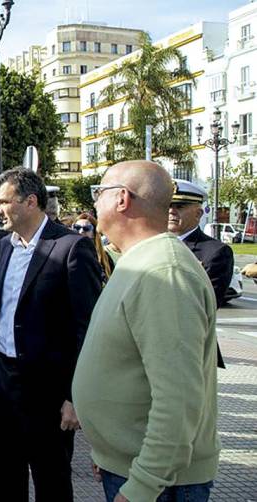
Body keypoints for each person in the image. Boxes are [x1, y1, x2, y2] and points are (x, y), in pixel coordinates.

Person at [73, 161, 220, 502]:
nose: (94, 203)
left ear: (122, 199)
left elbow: (178, 398)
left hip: (162, 484)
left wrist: (143, 484)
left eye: (99, 192)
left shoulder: (163, 272)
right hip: (132, 466)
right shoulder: (138, 260)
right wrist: (108, 452)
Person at [0, 167, 101, 501]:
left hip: (48, 393)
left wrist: (76, 397)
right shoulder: (3, 246)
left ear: (30, 201)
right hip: (2, 385)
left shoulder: (71, 247)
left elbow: (86, 329)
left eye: (3, 202)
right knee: (3, 478)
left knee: (52, 482)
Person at [168, 179, 231, 369]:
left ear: (198, 213)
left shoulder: (215, 251)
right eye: (168, 205)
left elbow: (207, 303)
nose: (171, 211)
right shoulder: (150, 244)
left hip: (189, 345)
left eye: (180, 206)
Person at [73, 212, 113, 283]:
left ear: (94, 233)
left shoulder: (105, 258)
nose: (81, 231)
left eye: (86, 228)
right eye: (77, 227)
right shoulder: (67, 255)